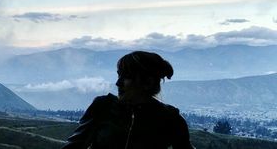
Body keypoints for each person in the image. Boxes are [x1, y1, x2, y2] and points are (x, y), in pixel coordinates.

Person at [61, 51, 194, 149]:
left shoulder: (170, 118)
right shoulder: (102, 106)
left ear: (147, 82)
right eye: (119, 75)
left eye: (126, 77)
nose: (118, 83)